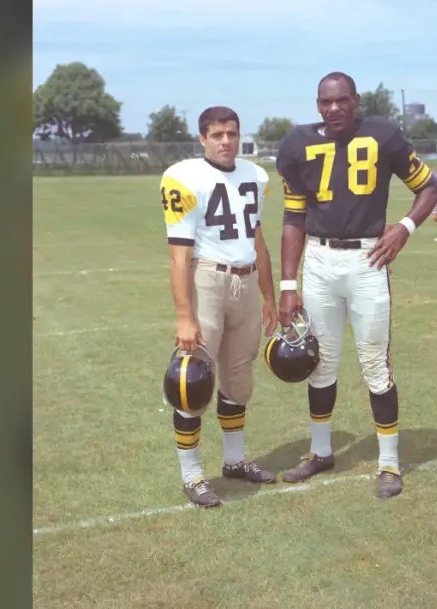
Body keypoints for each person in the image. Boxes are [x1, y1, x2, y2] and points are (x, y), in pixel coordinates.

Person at [275, 71, 437, 499]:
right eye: (325, 102)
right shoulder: (297, 144)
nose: (334, 108)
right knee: (320, 362)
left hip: (368, 258)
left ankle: (388, 462)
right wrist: (287, 283)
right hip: (319, 261)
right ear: (317, 105)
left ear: (356, 100)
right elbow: (293, 217)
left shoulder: (382, 134)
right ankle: (320, 451)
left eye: (341, 100)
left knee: (375, 364)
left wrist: (404, 227)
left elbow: (429, 187)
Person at [160, 105, 279, 508]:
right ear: (202, 139)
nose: (226, 141)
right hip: (208, 280)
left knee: (238, 381)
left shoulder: (256, 175)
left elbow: (257, 240)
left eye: (232, 133)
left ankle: (234, 460)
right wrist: (184, 316)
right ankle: (192, 474)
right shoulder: (184, 177)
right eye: (217, 135)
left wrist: (269, 296)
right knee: (192, 383)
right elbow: (179, 256)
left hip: (247, 282)